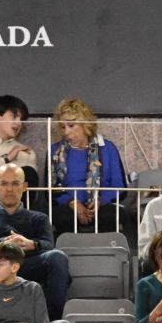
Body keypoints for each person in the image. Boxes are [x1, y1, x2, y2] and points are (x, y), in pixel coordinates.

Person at [0, 164, 70, 321]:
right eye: (4, 184)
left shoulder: (39, 218)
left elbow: (48, 244)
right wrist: (3, 243)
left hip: (27, 263)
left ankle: (50, 320)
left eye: (15, 183)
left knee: (58, 257)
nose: (9, 189)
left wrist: (30, 244)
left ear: (25, 187)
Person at [45, 97, 129, 238]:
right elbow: (50, 191)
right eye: (62, 126)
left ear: (85, 125)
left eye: (71, 125)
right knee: (62, 216)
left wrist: (100, 201)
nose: (66, 132)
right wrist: (73, 203)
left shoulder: (107, 148)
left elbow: (120, 187)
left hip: (102, 205)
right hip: (69, 207)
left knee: (111, 215)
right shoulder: (55, 151)